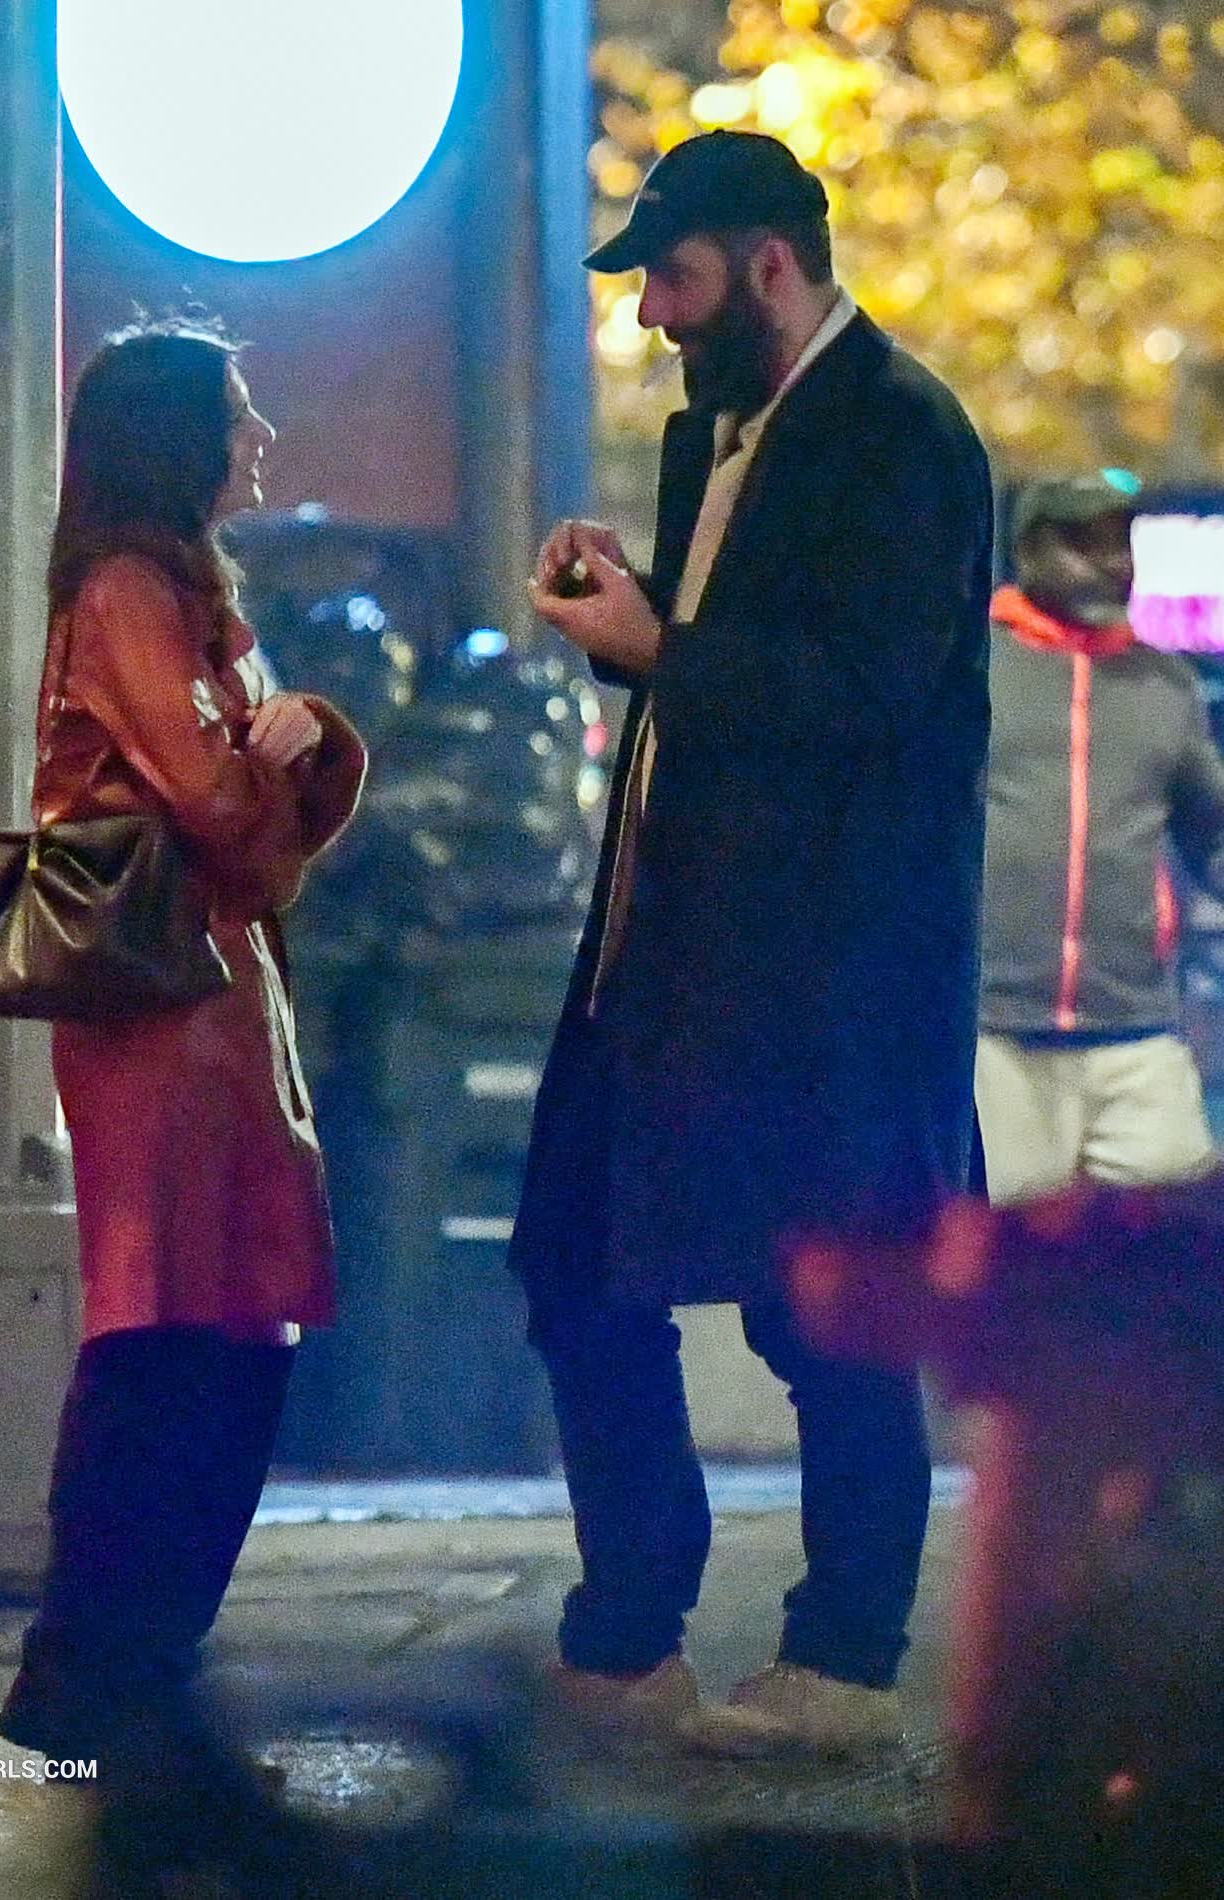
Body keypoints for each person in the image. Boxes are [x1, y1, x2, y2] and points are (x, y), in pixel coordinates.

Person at [511, 130, 994, 1757]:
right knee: (573, 1266)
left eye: (676, 276)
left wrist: (660, 642)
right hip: (667, 953)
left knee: (829, 1310)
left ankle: (844, 1663)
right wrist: (634, 618)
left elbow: (869, 693)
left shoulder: (900, 431)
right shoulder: (719, 433)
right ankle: (628, 1638)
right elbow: (735, 661)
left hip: (826, 975)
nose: (652, 312)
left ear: (770, 264)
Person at [0, 321, 366, 1774]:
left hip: (215, 1003)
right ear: (177, 438)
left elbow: (245, 812)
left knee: (234, 1323)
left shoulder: (189, 596)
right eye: (237, 412)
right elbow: (215, 802)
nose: (259, 436)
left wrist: (299, 747)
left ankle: (143, 1662)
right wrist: (287, 758)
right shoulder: (129, 594)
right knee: (164, 1322)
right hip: (160, 1012)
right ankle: (97, 1667)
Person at [976, 472, 1224, 1203]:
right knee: (1014, 1250)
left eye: (1124, 542)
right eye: (1085, 543)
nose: (1115, 562)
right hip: (996, 1031)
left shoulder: (1165, 686)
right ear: (1029, 550)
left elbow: (1213, 835)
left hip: (1137, 1029)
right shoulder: (973, 668)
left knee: (1179, 1239)